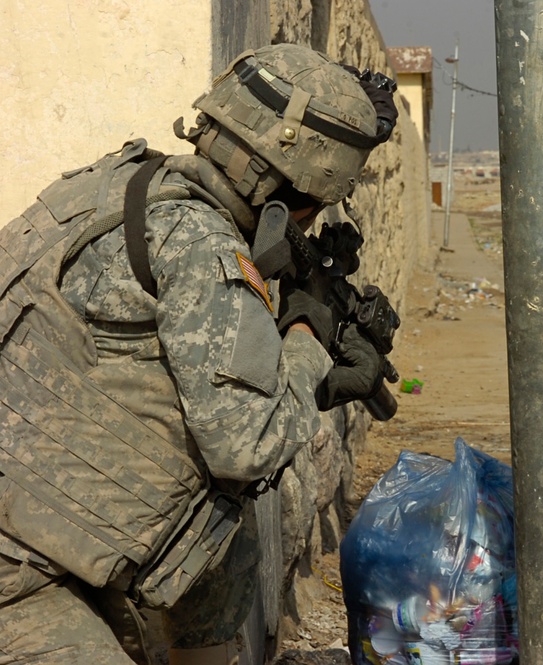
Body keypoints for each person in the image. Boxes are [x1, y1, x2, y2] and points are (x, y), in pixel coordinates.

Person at [0, 44, 398, 665]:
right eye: (315, 203)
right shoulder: (203, 247)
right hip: (21, 572)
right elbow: (247, 448)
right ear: (283, 184)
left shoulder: (115, 184)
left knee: (220, 534)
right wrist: (307, 341)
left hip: (42, 529)